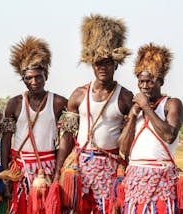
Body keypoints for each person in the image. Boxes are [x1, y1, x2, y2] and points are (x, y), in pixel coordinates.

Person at [53, 14, 133, 213]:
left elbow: (130, 139)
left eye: (107, 62)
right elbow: (68, 136)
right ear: (92, 65)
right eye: (98, 63)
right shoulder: (79, 95)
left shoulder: (125, 97)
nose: (103, 67)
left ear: (116, 64)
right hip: (80, 166)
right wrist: (58, 169)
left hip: (110, 167)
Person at [0, 36, 67, 213]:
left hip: (48, 168)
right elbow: (6, 140)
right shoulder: (14, 104)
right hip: (19, 167)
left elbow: (69, 137)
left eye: (38, 77)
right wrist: (5, 173)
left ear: (46, 76)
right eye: (29, 78)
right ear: (23, 79)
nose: (34, 82)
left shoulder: (59, 102)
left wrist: (60, 171)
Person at [119, 43, 183, 213]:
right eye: (141, 82)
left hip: (162, 179)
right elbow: (124, 148)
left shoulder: (171, 104)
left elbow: (169, 135)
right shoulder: (136, 110)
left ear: (161, 81)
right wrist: (133, 116)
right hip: (135, 181)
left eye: (149, 81)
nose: (145, 86)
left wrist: (147, 107)